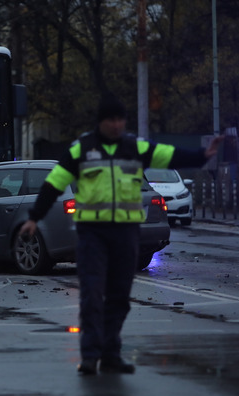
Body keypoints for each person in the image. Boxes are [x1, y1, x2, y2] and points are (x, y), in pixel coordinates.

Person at [18, 93, 224, 375]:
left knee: (118, 296)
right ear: (100, 122)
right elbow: (54, 183)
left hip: (126, 234)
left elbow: (169, 154)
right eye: (111, 120)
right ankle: (90, 355)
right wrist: (34, 218)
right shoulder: (82, 149)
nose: (116, 125)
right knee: (92, 294)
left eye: (120, 119)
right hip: (92, 234)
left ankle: (111, 354)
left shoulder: (134, 147)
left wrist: (202, 156)